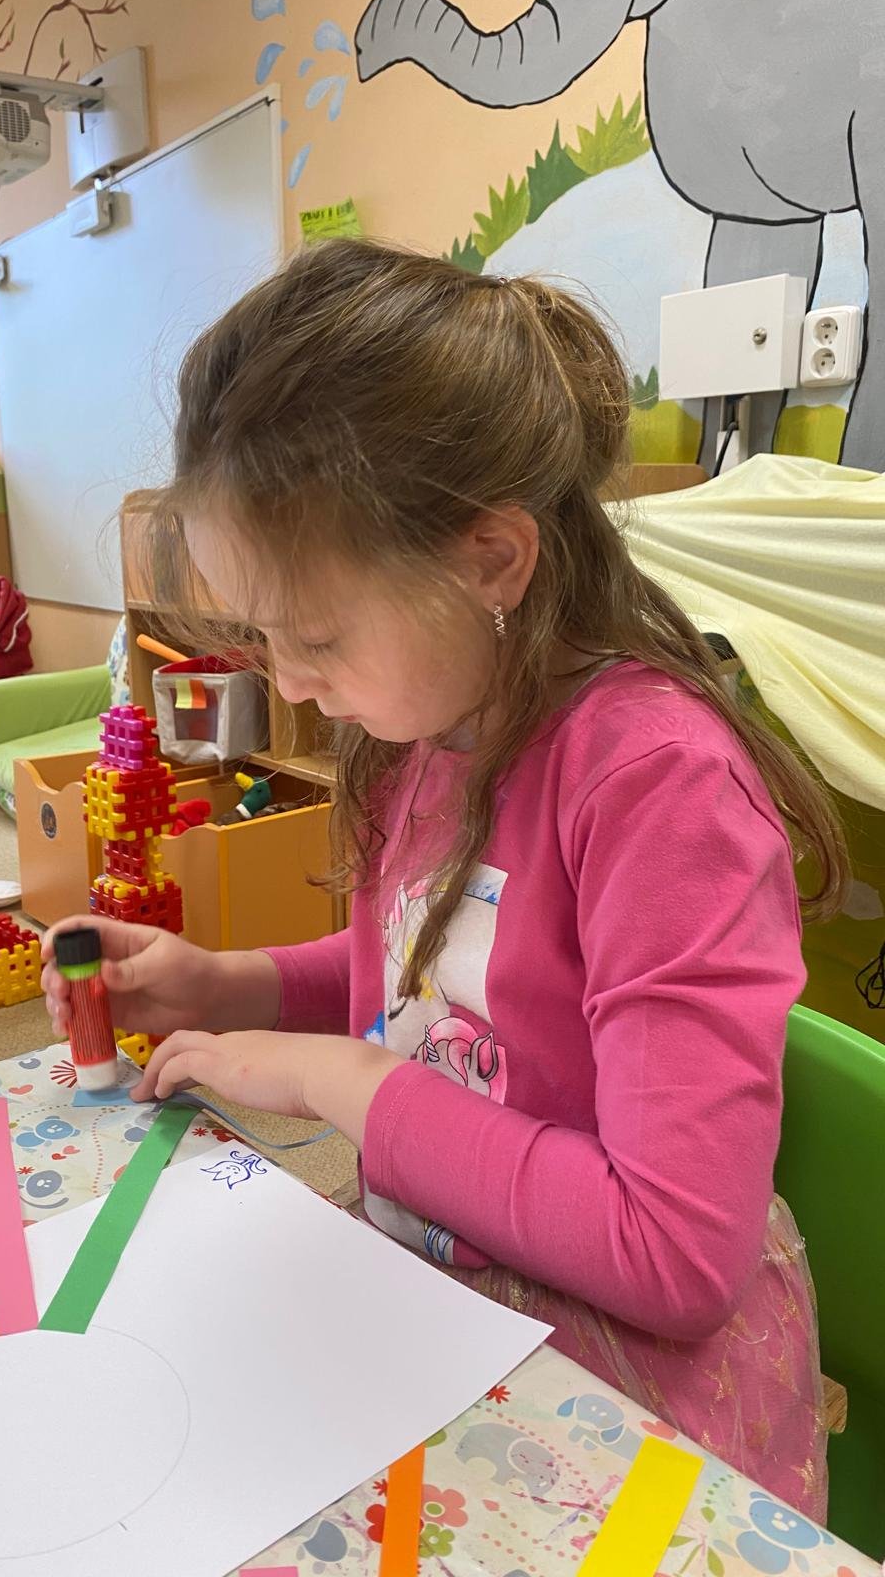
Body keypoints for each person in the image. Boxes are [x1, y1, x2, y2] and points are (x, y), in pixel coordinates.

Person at [44, 242, 849, 1514]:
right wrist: (233, 983)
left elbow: (677, 1252)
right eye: (263, 636)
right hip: (439, 1294)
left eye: (314, 635)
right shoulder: (429, 725)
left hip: (633, 1389)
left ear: (490, 560)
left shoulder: (659, 787)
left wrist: (341, 1082)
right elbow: (432, 978)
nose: (287, 680)